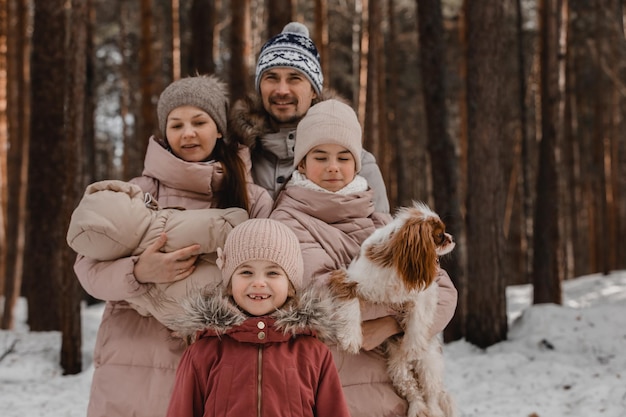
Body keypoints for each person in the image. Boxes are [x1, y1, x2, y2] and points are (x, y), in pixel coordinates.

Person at [73, 74, 273, 417]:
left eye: (199, 122)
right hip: (135, 355)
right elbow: (86, 269)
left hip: (221, 357)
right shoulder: (138, 191)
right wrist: (137, 271)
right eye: (176, 124)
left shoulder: (253, 199)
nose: (188, 133)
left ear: (220, 129)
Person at [269, 99, 458, 417]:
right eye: (320, 156)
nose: (333, 166)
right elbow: (321, 294)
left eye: (344, 157)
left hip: (394, 396)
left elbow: (446, 293)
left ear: (356, 164)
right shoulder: (287, 224)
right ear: (301, 164)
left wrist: (389, 324)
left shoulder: (381, 223)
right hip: (331, 390)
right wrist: (409, 307)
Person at [165, 218, 352, 417]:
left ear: (290, 284)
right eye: (246, 272)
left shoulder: (314, 353)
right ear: (230, 282)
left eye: (272, 273)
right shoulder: (202, 353)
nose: (259, 282)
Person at [229, 21, 390, 213]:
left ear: (314, 90)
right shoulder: (236, 156)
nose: (281, 90)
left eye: (294, 78)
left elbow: (381, 236)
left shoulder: (355, 161)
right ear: (259, 86)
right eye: (271, 78)